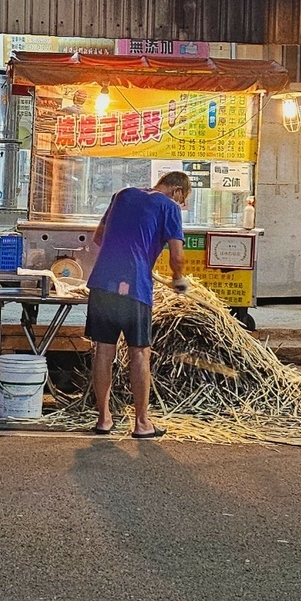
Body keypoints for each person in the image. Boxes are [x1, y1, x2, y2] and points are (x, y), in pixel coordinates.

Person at [85, 171, 192, 438]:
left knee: (103, 351)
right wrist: (178, 279)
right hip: (135, 285)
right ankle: (142, 423)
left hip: (103, 280)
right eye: (183, 199)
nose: (181, 204)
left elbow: (98, 237)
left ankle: (103, 419)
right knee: (139, 353)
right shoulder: (169, 206)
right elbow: (177, 257)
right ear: (178, 192)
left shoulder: (122, 194)